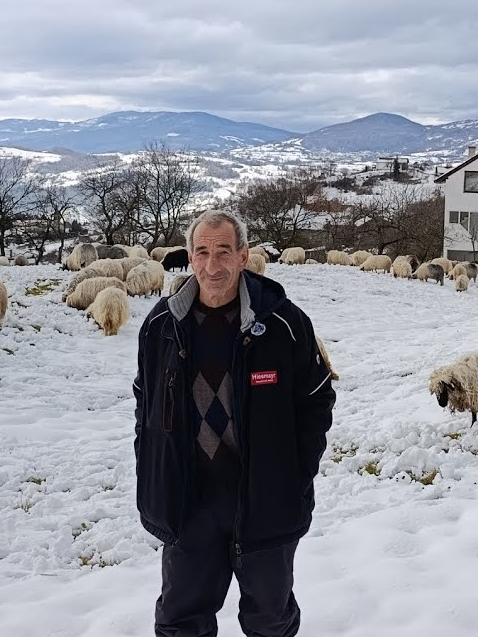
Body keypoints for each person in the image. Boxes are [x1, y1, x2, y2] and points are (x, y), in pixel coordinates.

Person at [133, 209, 336, 637]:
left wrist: (295, 476)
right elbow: (144, 404)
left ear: (243, 256)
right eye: (202, 252)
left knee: (270, 621)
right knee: (179, 621)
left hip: (264, 502)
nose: (212, 264)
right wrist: (154, 471)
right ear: (189, 257)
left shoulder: (283, 325)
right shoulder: (160, 328)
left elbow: (317, 402)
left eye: (223, 251)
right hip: (190, 503)